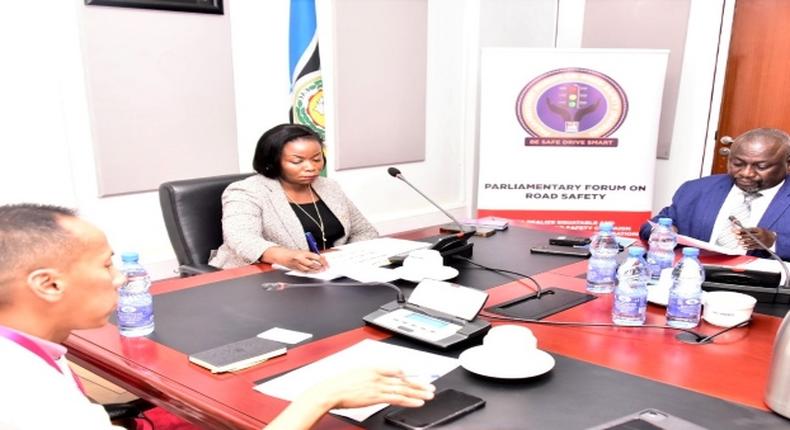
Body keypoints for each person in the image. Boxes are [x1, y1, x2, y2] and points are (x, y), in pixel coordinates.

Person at [0, 204, 434, 430]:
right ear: (48, 284)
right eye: (105, 266)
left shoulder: (26, 349)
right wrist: (322, 396)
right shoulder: (25, 393)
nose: (121, 279)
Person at [210, 124, 378, 271]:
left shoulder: (329, 186)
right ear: (272, 161)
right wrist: (284, 256)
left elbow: (364, 231)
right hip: (256, 276)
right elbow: (242, 239)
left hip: (325, 272)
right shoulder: (247, 190)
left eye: (317, 159)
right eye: (297, 161)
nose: (311, 167)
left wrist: (342, 255)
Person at [639, 128, 790, 260]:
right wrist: (661, 231)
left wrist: (774, 241)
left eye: (761, 167)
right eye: (738, 164)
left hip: (760, 285)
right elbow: (653, 225)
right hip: (695, 274)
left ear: (787, 164)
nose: (746, 173)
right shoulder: (696, 189)